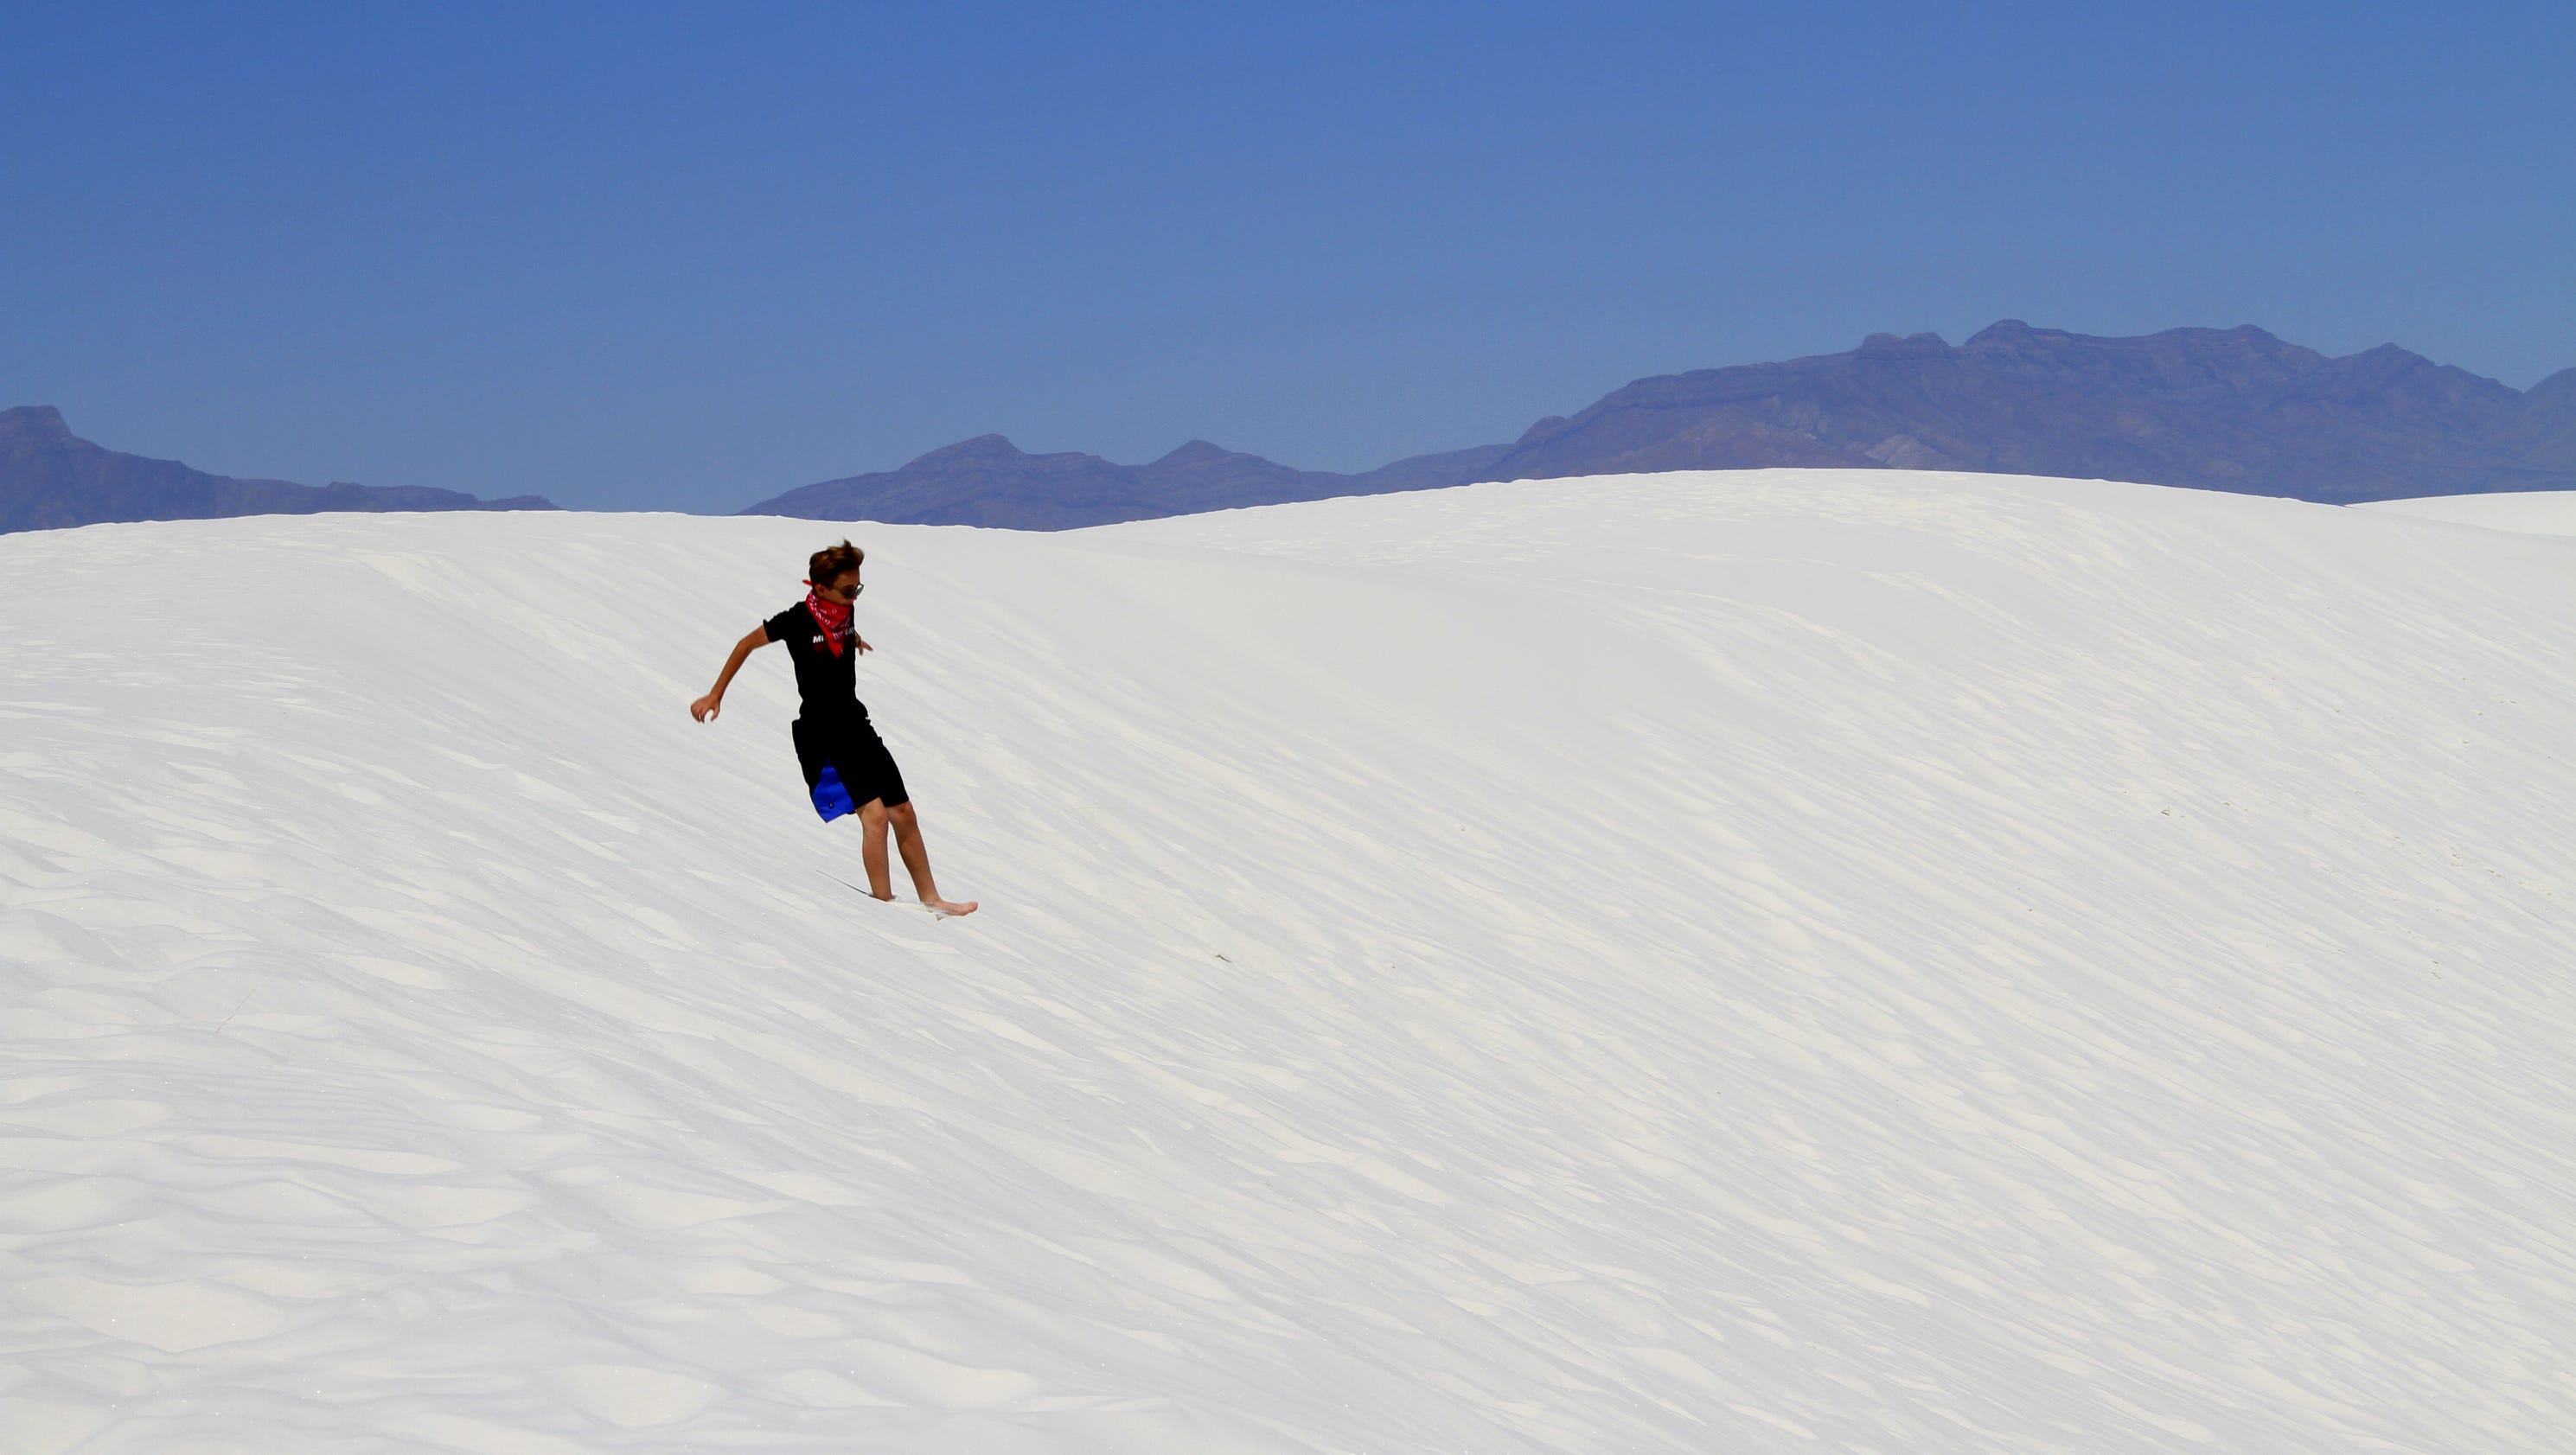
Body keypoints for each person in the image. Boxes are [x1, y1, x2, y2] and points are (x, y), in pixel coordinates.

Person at [692, 540, 978, 916]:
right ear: (820, 588)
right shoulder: (796, 620)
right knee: (874, 816)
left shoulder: (844, 614)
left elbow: (836, 634)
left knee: (903, 810)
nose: (854, 598)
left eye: (858, 589)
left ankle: (933, 900)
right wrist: (716, 693)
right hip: (822, 732)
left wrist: (852, 638)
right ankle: (884, 907)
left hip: (856, 724)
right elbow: (746, 644)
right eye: (848, 590)